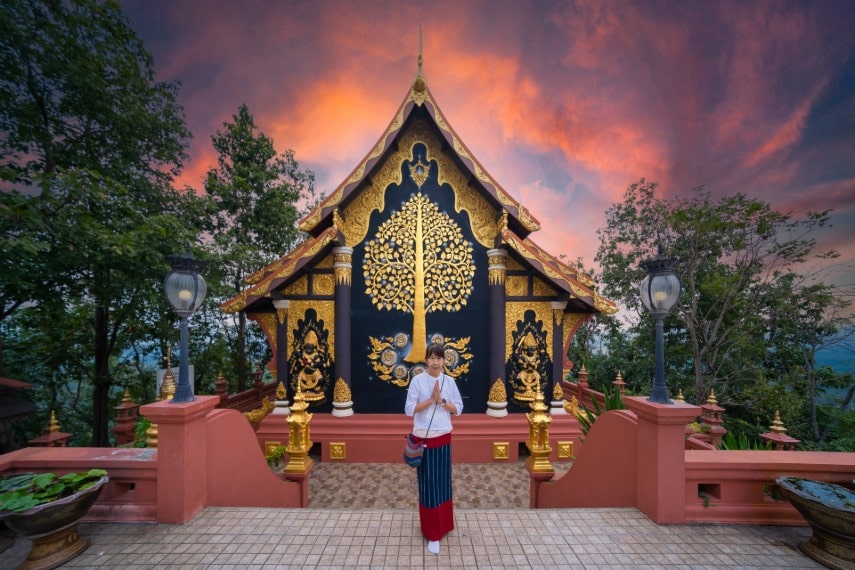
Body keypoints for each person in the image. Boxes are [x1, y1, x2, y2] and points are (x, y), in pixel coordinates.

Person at [404, 343, 463, 555]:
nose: (435, 362)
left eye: (439, 358)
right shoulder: (418, 381)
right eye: (432, 358)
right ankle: (432, 533)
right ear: (426, 360)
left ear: (444, 360)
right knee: (429, 486)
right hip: (424, 438)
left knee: (443, 483)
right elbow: (409, 409)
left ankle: (444, 525)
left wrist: (442, 402)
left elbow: (459, 408)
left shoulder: (450, 381)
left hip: (444, 437)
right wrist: (431, 400)